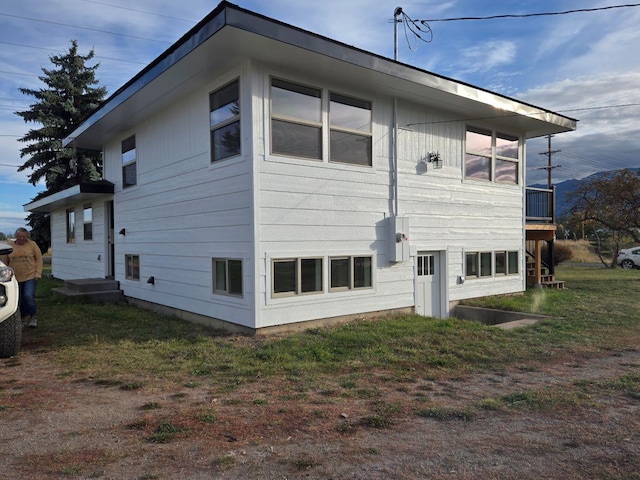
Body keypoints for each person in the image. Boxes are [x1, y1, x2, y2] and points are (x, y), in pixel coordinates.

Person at [5, 228, 43, 328]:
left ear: (27, 237)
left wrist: (37, 274)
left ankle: (33, 317)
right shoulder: (9, 245)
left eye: (24, 237)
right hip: (15, 277)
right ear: (16, 236)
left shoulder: (32, 245)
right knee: (19, 299)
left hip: (30, 275)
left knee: (28, 296)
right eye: (19, 236)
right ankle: (22, 319)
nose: (22, 238)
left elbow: (39, 259)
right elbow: (5, 262)